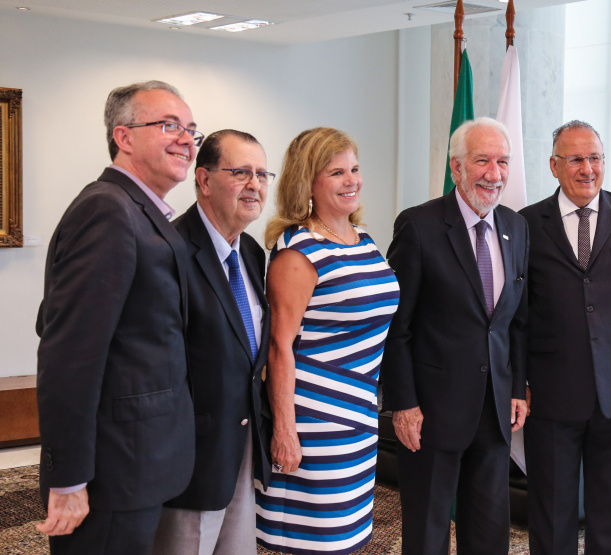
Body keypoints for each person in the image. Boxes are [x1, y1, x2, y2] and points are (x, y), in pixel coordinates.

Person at [34, 80, 201, 554]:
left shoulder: (140, 211)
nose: (186, 139)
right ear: (123, 137)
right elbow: (69, 355)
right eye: (168, 125)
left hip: (138, 462)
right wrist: (68, 479)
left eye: (191, 129)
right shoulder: (107, 211)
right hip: (112, 470)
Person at [520, 120, 611, 555]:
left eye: (595, 158)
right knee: (552, 511)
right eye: (576, 159)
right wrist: (519, 381)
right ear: (554, 166)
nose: (587, 169)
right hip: (550, 391)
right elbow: (519, 313)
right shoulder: (527, 223)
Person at [381, 117, 529, 554]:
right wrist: (403, 404)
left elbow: (515, 320)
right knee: (427, 533)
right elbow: (397, 326)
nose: (495, 173)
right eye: (482, 160)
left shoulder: (516, 228)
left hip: (495, 408)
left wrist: (518, 385)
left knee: (488, 532)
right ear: (456, 168)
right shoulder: (419, 226)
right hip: (431, 411)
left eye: (503, 162)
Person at [254, 127, 400, 554]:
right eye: (337, 173)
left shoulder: (365, 241)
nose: (352, 180)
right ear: (308, 183)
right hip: (314, 418)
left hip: (359, 414)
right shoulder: (297, 252)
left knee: (348, 537)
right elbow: (279, 347)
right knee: (313, 540)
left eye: (354, 169)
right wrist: (284, 429)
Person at [152, 130, 274, 555]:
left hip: (241, 447)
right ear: (203, 180)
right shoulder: (170, 249)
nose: (254, 184)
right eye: (240, 172)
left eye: (261, 174)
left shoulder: (253, 254)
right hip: (190, 459)